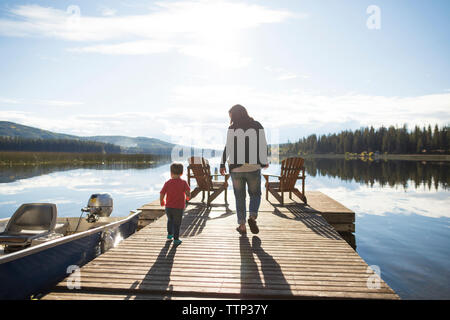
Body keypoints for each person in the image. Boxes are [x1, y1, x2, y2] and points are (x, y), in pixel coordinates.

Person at [220, 104, 269, 235]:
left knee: (239, 197)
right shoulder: (257, 125)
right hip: (253, 167)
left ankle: (242, 225)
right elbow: (263, 144)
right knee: (255, 194)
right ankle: (252, 217)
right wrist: (264, 161)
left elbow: (228, 147)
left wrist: (222, 163)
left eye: (230, 115)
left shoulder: (232, 128)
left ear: (234, 115)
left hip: (236, 169)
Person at [160, 162, 191, 245]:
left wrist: (161, 201)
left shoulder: (167, 183)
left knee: (170, 220)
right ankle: (176, 239)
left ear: (171, 173)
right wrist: (188, 197)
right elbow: (188, 192)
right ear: (181, 173)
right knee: (177, 223)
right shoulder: (184, 183)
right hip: (178, 208)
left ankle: (170, 234)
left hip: (168, 207)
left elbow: (162, 193)